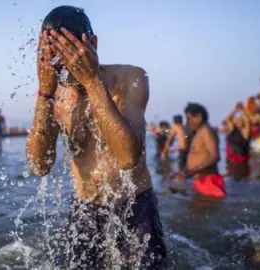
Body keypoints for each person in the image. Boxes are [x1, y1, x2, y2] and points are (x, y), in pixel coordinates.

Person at [26, 6, 166, 269]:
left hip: (134, 206)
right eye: (55, 57)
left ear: (92, 44)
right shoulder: (51, 94)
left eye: (71, 54)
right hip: (84, 210)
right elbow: (38, 166)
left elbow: (127, 158)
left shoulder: (129, 78)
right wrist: (45, 92)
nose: (65, 67)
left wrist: (92, 81)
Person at [176, 103, 226, 198]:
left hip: (209, 181)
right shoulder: (200, 132)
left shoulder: (206, 131)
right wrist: (185, 171)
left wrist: (190, 172)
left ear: (199, 117)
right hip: (202, 180)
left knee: (203, 209)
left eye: (189, 119)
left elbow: (215, 156)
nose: (188, 122)